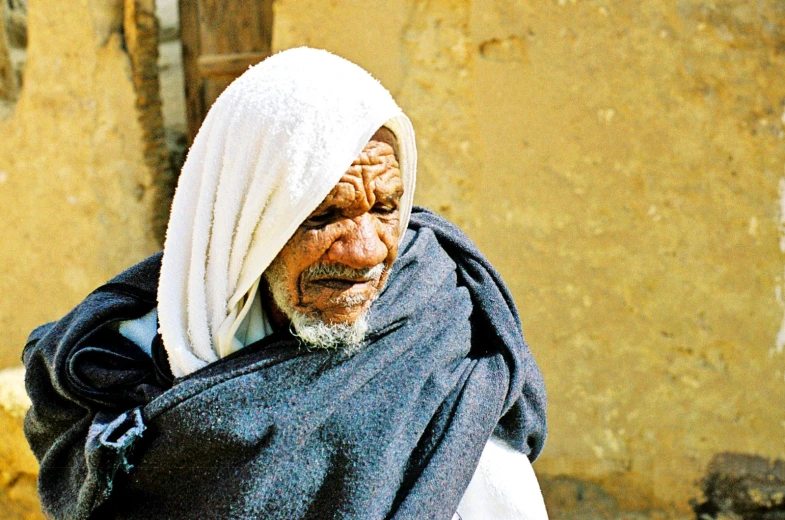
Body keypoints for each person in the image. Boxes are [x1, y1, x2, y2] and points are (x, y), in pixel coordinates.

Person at [22, 47, 548, 519]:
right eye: (324, 216)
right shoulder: (113, 361)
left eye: (387, 208)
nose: (366, 250)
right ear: (248, 223)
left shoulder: (444, 348)